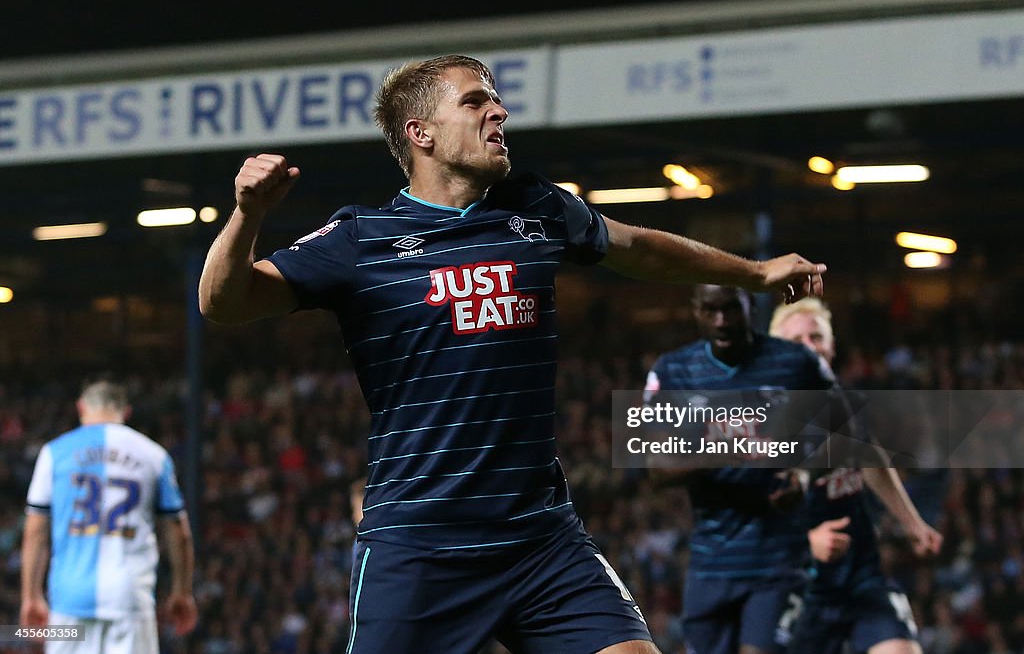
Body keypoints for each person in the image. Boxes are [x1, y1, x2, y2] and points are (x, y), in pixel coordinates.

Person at [198, 54, 826, 654]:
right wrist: (247, 216)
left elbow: (638, 247)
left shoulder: (537, 207)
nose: (498, 114)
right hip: (421, 542)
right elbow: (223, 303)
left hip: (541, 538)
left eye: (497, 100)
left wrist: (755, 274)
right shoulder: (361, 239)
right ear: (422, 132)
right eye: (475, 102)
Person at [643, 284, 835, 654]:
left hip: (778, 558)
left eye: (731, 309)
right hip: (711, 560)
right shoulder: (675, 370)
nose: (721, 321)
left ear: (751, 304)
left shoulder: (796, 362)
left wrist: (803, 475)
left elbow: (838, 429)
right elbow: (656, 467)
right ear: (695, 309)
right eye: (710, 310)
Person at [769, 298, 943, 654]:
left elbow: (872, 460)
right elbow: (742, 511)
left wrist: (912, 523)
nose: (809, 346)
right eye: (796, 340)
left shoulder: (846, 403)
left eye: (816, 336)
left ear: (831, 345)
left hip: (861, 576)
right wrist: (805, 541)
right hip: (796, 585)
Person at [20, 377, 198, 654]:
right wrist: (182, 591)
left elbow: (35, 531)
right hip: (129, 599)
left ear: (81, 408)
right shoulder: (153, 455)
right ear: (126, 412)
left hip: (70, 600)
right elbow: (179, 531)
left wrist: (30, 596)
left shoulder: (54, 453)